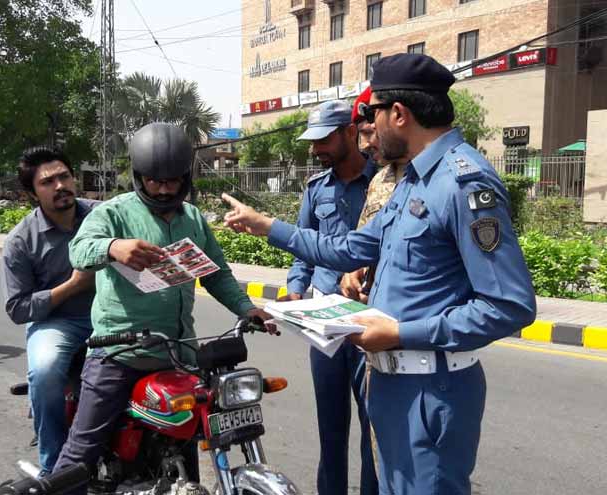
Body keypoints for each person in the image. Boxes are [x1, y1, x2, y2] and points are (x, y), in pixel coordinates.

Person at [220, 53, 537, 495]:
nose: (369, 128)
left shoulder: (464, 184)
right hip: (391, 384)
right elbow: (352, 247)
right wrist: (266, 226)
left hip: (431, 390)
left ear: (400, 115)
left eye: (372, 115)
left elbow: (509, 306)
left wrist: (400, 331)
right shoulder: (413, 180)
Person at [52, 122, 275, 492]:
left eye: (173, 181)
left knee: (187, 448)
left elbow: (216, 273)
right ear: (139, 177)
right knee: (82, 451)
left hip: (179, 356)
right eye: (155, 181)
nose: (164, 188)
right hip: (119, 353)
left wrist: (246, 309)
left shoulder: (193, 218)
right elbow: (78, 249)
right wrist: (112, 247)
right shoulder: (114, 214)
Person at [281, 99, 378, 495]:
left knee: (373, 428)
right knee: (330, 428)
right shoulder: (315, 188)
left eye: (324, 139)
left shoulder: (384, 183)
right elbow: (303, 247)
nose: (315, 149)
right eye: (313, 142)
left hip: (369, 317)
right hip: (324, 322)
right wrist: (294, 288)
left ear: (350, 133)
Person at [1, 146, 101, 475]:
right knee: (44, 372)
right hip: (57, 323)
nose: (59, 186)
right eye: (48, 182)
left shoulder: (103, 216)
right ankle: (54, 470)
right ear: (33, 193)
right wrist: (73, 286)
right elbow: (18, 307)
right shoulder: (20, 241)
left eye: (64, 176)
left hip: (112, 315)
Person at [339, 86, 406, 303]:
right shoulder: (380, 180)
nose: (364, 145)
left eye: (369, 132)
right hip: (375, 308)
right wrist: (353, 271)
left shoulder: (439, 179)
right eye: (361, 135)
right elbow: (364, 241)